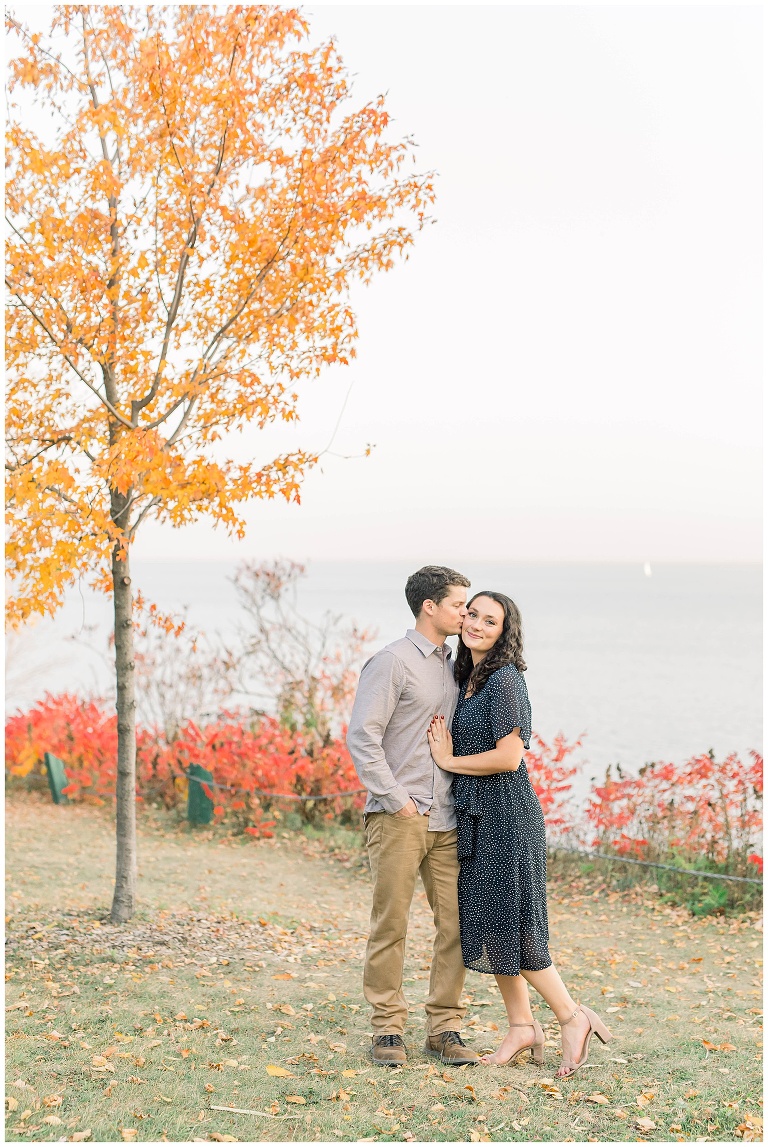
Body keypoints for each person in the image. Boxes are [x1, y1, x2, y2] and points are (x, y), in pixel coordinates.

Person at [427, 590, 612, 1078]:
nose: (478, 625)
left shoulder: (505, 680)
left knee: (517, 930)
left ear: (504, 631)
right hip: (475, 820)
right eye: (472, 615)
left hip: (507, 819)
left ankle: (573, 1018)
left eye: (491, 620)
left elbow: (510, 757)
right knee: (490, 929)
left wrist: (449, 762)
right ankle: (521, 1026)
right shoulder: (465, 677)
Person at [346, 565, 481, 1068]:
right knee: (391, 924)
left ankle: (444, 1027)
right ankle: (387, 1029)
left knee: (456, 926)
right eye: (457, 605)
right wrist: (397, 798)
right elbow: (363, 737)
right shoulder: (391, 663)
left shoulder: (456, 664)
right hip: (399, 816)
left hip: (448, 818)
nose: (465, 613)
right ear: (430, 607)